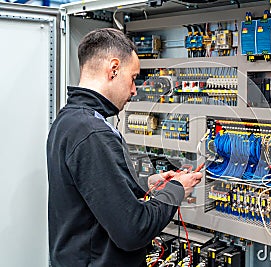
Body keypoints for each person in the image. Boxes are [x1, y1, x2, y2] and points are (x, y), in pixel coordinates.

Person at [47, 28, 202, 267]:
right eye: (133, 78)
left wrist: (145, 184)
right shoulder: (92, 132)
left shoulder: (69, 120)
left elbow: (91, 193)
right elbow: (133, 231)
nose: (134, 90)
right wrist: (176, 190)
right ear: (114, 69)